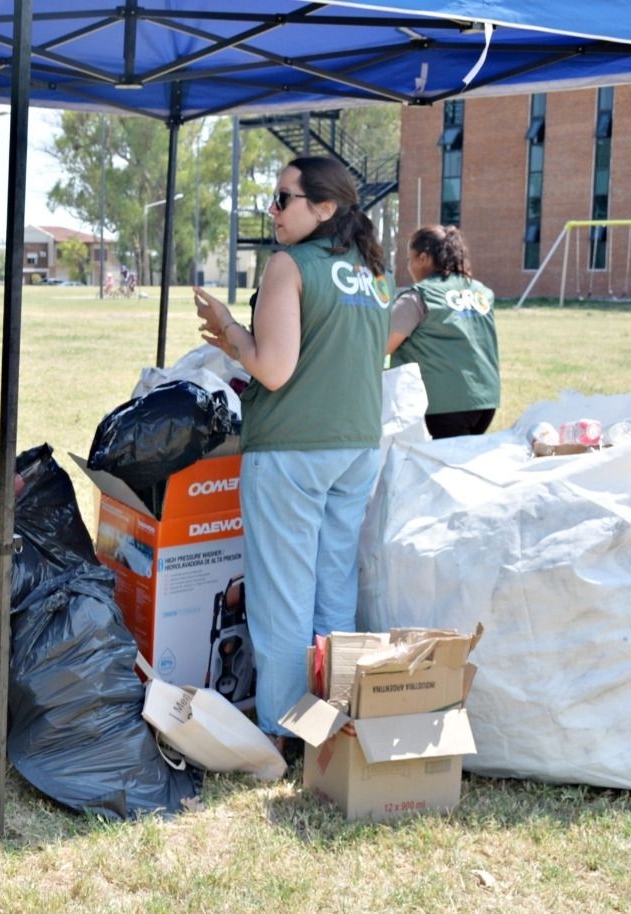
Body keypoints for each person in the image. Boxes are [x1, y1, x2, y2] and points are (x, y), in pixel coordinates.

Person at [192, 156, 392, 757]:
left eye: (284, 199)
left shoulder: (289, 265)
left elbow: (273, 370)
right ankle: (336, 727)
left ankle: (283, 736)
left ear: (324, 208)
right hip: (355, 445)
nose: (273, 212)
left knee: (281, 598)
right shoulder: (371, 271)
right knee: (334, 594)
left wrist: (229, 328)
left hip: (292, 450)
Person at [387, 224, 500, 439]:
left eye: (409, 259)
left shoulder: (418, 297)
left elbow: (381, 346)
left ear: (423, 258)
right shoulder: (482, 293)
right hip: (485, 402)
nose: (409, 266)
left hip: (442, 406)